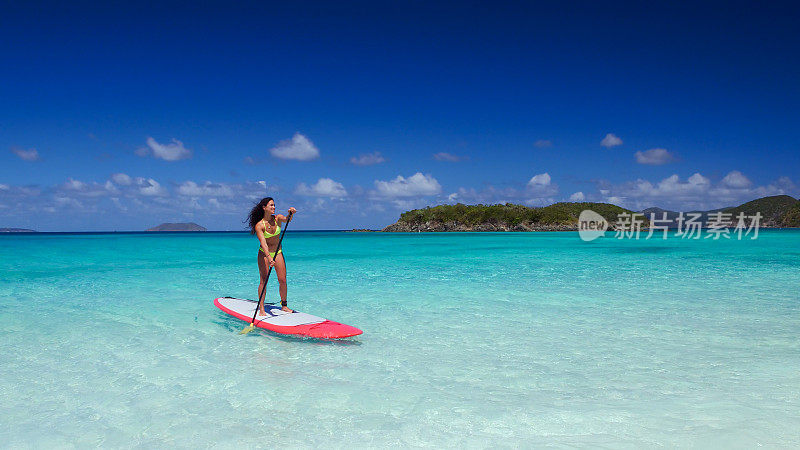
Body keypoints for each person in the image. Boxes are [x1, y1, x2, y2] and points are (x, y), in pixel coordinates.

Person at [246, 197, 297, 315]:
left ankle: (284, 306)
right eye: (271, 205)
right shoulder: (260, 225)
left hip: (278, 252)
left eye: (274, 205)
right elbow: (263, 243)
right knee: (264, 281)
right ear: (264, 208)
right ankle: (262, 309)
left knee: (282, 280)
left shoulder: (278, 218)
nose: (274, 207)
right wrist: (269, 258)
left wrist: (291, 213)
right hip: (264, 254)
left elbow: (287, 220)